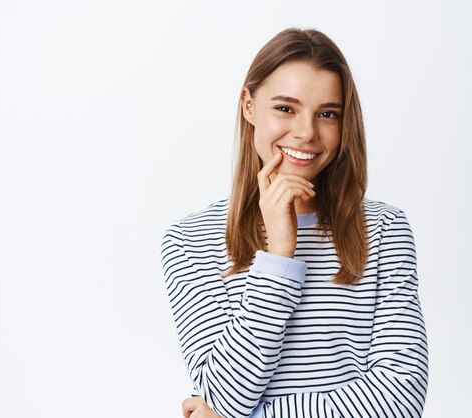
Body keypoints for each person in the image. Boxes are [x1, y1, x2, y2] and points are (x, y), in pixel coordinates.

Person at [160, 27, 428, 418]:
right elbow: (225, 401)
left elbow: (400, 401)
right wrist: (278, 258)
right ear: (248, 106)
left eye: (327, 114)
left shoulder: (383, 230)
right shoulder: (190, 241)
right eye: (286, 108)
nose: (306, 132)